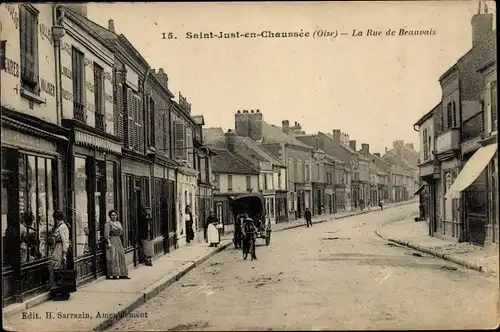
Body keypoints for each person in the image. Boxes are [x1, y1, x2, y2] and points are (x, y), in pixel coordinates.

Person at [49, 210, 76, 300]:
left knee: (60, 270)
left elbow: (65, 241)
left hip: (60, 249)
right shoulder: (59, 226)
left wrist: (64, 254)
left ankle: (63, 293)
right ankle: (60, 292)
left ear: (56, 218)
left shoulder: (62, 227)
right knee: (58, 270)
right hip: (57, 248)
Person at [104, 210, 129, 279]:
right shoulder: (108, 224)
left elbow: (121, 232)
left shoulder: (118, 223)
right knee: (114, 257)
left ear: (117, 216)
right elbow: (106, 235)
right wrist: (109, 242)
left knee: (121, 256)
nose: (114, 216)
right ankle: (114, 274)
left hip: (118, 240)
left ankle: (122, 273)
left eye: (115, 215)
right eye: (112, 215)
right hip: (112, 240)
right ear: (110, 216)